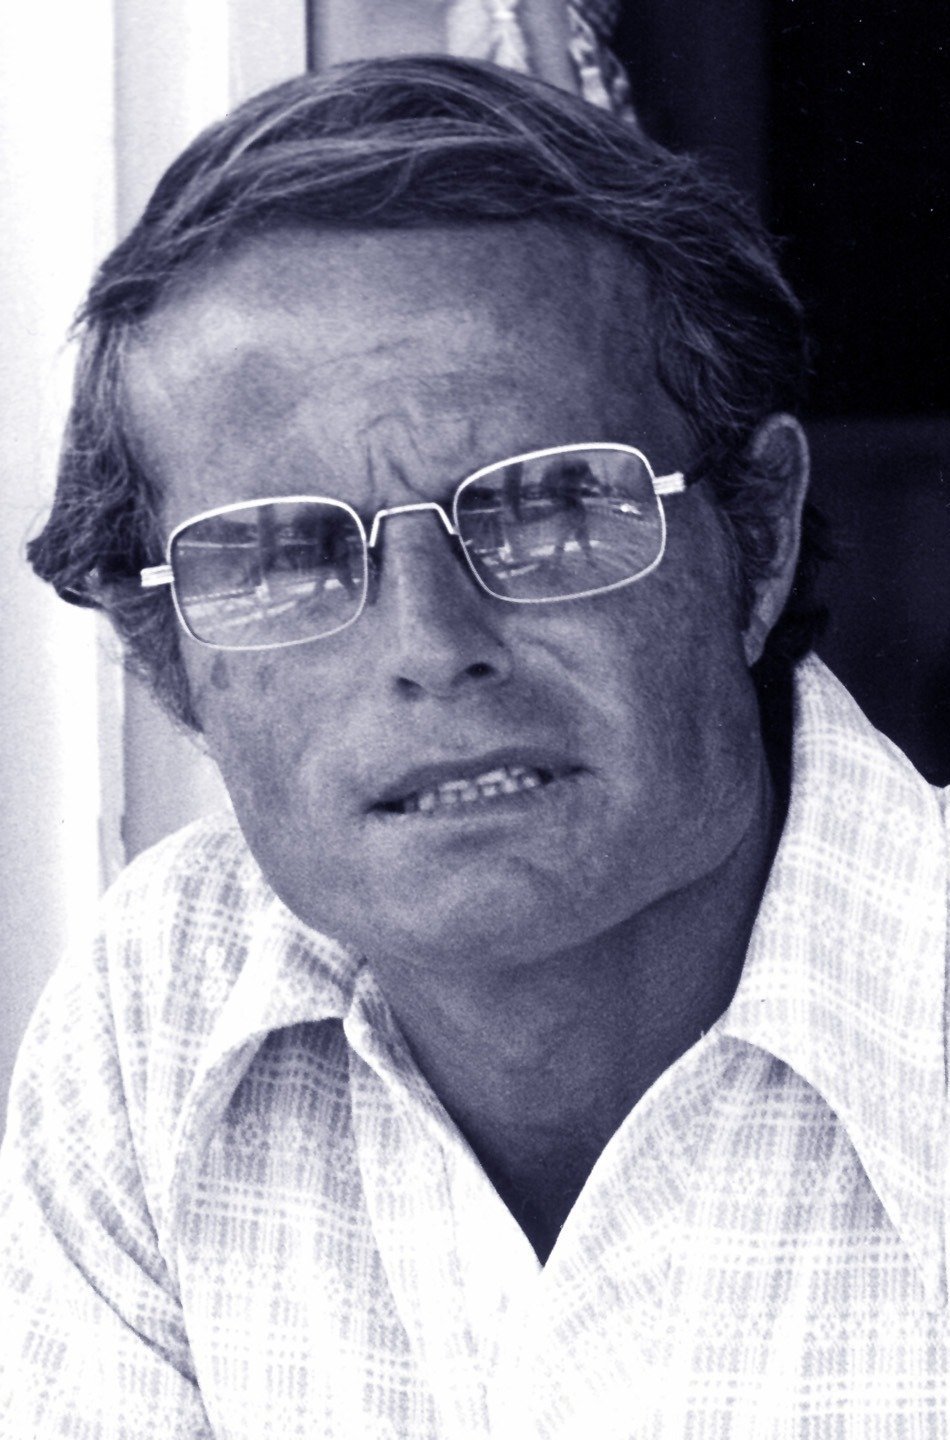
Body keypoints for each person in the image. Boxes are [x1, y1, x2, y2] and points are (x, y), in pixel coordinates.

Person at [1, 55, 946, 1439]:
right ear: (170, 664)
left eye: (548, 509)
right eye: (283, 556)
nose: (432, 644)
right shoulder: (158, 1011)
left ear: (755, 537)